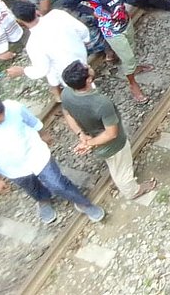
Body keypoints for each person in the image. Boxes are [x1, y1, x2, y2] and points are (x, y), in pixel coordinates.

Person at [0, 97, 105, 225]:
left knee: (57, 183)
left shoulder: (13, 107)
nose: (2, 118)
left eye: (2, 113)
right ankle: (43, 199)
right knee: (31, 187)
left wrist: (44, 134)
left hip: (36, 154)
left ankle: (83, 203)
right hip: (12, 169)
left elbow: (32, 121)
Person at [60, 62, 156, 200]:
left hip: (91, 137)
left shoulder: (66, 93)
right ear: (88, 80)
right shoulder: (101, 104)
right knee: (121, 170)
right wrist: (89, 143)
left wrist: (82, 135)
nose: (88, 65)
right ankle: (133, 191)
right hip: (113, 145)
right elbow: (111, 133)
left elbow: (67, 114)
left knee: (115, 165)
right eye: (87, 68)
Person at [78, 0, 148, 103]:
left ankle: (133, 68)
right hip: (112, 30)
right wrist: (93, 12)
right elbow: (70, 2)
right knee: (128, 57)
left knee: (132, 45)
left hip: (124, 20)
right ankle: (133, 84)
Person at [5, 1, 89, 103]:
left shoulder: (33, 44)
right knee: (50, 61)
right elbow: (83, 31)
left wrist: (22, 70)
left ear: (19, 21)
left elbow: (41, 70)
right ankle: (58, 93)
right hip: (81, 56)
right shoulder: (57, 14)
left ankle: (61, 96)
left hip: (68, 74)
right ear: (35, 10)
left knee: (48, 64)